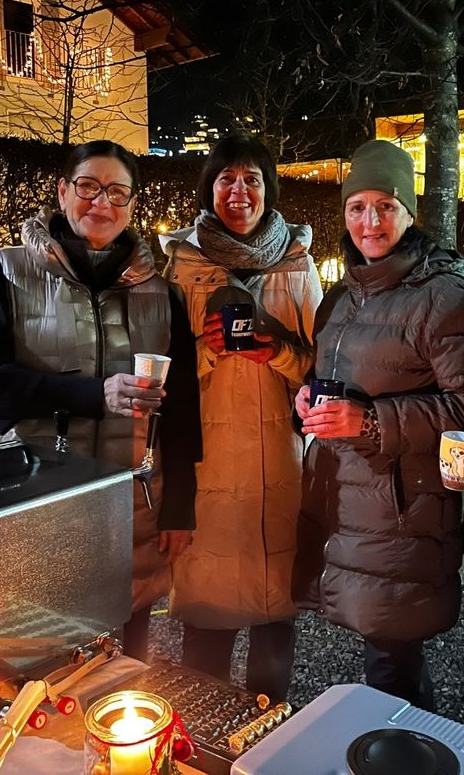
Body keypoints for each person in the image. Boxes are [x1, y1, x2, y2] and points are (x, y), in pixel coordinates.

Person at [0, 139, 201, 660]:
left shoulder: (162, 291)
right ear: (63, 192)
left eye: (117, 191)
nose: (101, 203)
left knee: (127, 654)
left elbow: (182, 408)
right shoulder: (3, 273)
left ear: (132, 204)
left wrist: (179, 505)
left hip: (131, 500)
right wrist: (92, 394)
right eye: (88, 187)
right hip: (30, 496)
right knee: (32, 649)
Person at [293, 139, 464, 710]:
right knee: (385, 657)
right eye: (357, 207)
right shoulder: (342, 296)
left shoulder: (443, 296)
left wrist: (372, 421)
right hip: (347, 498)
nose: (370, 221)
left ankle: (407, 754)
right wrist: (305, 400)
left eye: (385, 206)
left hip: (403, 508)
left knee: (391, 661)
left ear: (409, 212)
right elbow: (325, 378)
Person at [161, 133, 322, 702]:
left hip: (282, 467)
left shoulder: (299, 266)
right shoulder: (181, 266)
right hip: (208, 469)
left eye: (252, 178)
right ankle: (201, 743)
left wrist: (274, 348)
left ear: (268, 190)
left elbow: (321, 372)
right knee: (206, 630)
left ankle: (268, 744)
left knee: (277, 622)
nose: (239, 190)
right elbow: (162, 375)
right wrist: (205, 349)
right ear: (210, 188)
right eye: (227, 178)